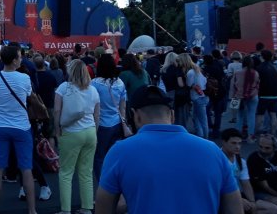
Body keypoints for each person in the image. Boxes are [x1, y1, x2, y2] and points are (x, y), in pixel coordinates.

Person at [96, 85, 243, 214]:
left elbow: (104, 208)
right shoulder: (213, 150)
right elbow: (235, 208)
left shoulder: (119, 152)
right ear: (172, 115)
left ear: (135, 115)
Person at [0, 45, 37, 214]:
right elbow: (29, 97)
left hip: (0, 127)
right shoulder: (24, 78)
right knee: (26, 170)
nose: (21, 59)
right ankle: (32, 210)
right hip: (22, 128)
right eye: (20, 57)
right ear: (15, 60)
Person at [54, 59, 100, 214]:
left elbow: (57, 111)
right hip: (90, 132)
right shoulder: (93, 90)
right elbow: (97, 114)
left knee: (66, 172)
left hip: (71, 133)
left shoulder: (63, 88)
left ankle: (65, 210)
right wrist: (95, 131)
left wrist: (57, 130)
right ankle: (87, 208)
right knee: (86, 172)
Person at [220, 128, 277, 214]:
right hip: (222, 198)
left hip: (236, 195)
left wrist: (252, 202)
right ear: (224, 142)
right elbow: (215, 188)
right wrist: (239, 200)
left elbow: (246, 184)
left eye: (239, 143)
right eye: (233, 143)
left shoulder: (240, 161)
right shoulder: (217, 160)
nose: (237, 146)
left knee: (273, 209)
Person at [90, 54, 126, 182]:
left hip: (101, 124)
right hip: (117, 123)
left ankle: (102, 188)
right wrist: (124, 123)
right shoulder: (120, 83)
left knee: (99, 158)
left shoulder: (94, 83)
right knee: (114, 157)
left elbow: (92, 106)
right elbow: (123, 107)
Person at [181, 52, 209, 139]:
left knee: (201, 119)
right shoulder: (197, 69)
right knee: (199, 118)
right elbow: (204, 81)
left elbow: (188, 84)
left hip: (196, 97)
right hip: (203, 96)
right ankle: (202, 137)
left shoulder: (190, 72)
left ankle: (205, 138)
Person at [233, 56, 260, 143]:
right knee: (251, 116)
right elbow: (257, 85)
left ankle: (237, 137)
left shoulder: (237, 73)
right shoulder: (255, 73)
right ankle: (250, 137)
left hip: (239, 96)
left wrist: (232, 98)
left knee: (239, 116)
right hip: (253, 96)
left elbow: (232, 87)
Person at [256, 50, 277, 136]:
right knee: (273, 115)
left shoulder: (259, 67)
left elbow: (257, 81)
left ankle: (254, 134)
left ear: (262, 57)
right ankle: (273, 134)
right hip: (275, 94)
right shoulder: (275, 66)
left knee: (260, 115)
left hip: (263, 94)